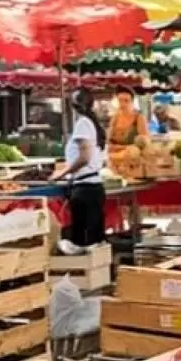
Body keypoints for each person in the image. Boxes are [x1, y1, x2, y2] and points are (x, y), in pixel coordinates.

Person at [50, 88, 107, 255]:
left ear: (72, 106)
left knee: (84, 244)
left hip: (85, 189)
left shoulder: (83, 123)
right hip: (93, 187)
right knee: (93, 244)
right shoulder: (91, 123)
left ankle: (85, 277)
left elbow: (84, 157)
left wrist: (61, 174)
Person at [106, 87, 148, 179]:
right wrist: (122, 147)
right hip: (114, 162)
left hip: (132, 163)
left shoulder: (139, 118)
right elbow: (108, 144)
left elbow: (144, 143)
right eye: (120, 100)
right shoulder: (115, 118)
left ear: (132, 102)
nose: (123, 104)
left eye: (126, 101)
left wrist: (125, 148)